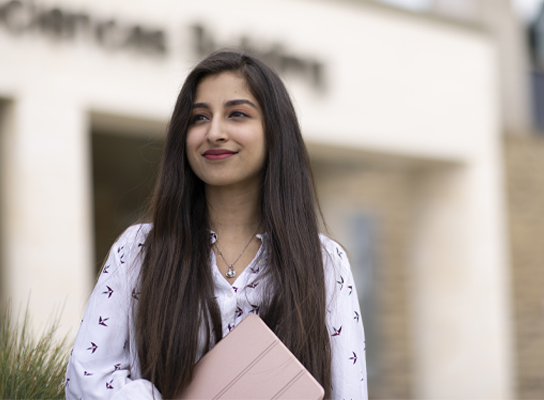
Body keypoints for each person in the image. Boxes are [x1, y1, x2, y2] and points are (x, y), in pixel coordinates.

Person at [65, 51, 367, 400]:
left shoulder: (324, 260)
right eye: (199, 118)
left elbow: (349, 391)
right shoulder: (138, 250)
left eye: (237, 114)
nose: (215, 132)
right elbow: (86, 379)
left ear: (275, 131)